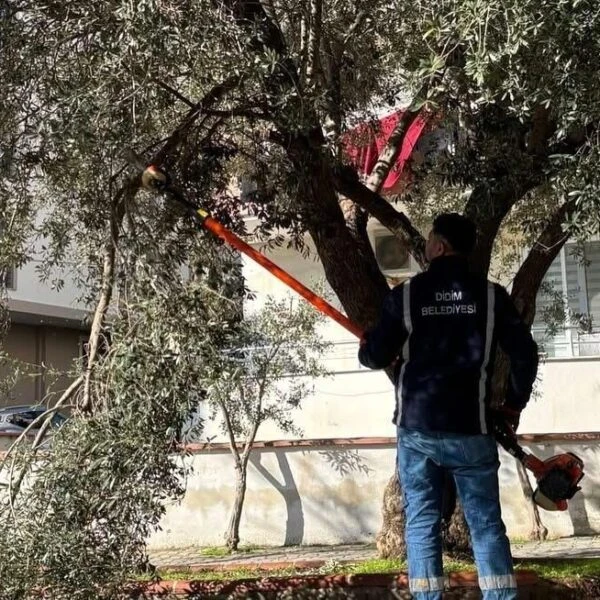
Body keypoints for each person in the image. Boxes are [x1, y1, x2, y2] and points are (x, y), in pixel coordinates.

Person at [358, 213, 539, 600]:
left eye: (428, 240)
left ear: (439, 246)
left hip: (417, 432)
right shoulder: (491, 297)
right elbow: (525, 353)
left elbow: (375, 357)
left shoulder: (405, 297)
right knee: (486, 524)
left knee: (422, 522)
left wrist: (368, 344)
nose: (425, 245)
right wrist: (513, 404)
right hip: (471, 430)